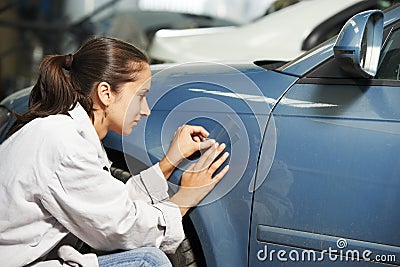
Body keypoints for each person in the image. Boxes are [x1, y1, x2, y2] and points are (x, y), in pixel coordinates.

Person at [0, 36, 230, 267]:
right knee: (148, 262)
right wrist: (184, 198)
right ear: (106, 93)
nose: (146, 110)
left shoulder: (64, 130)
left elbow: (107, 206)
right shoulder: (65, 144)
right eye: (141, 96)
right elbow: (122, 229)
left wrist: (168, 163)